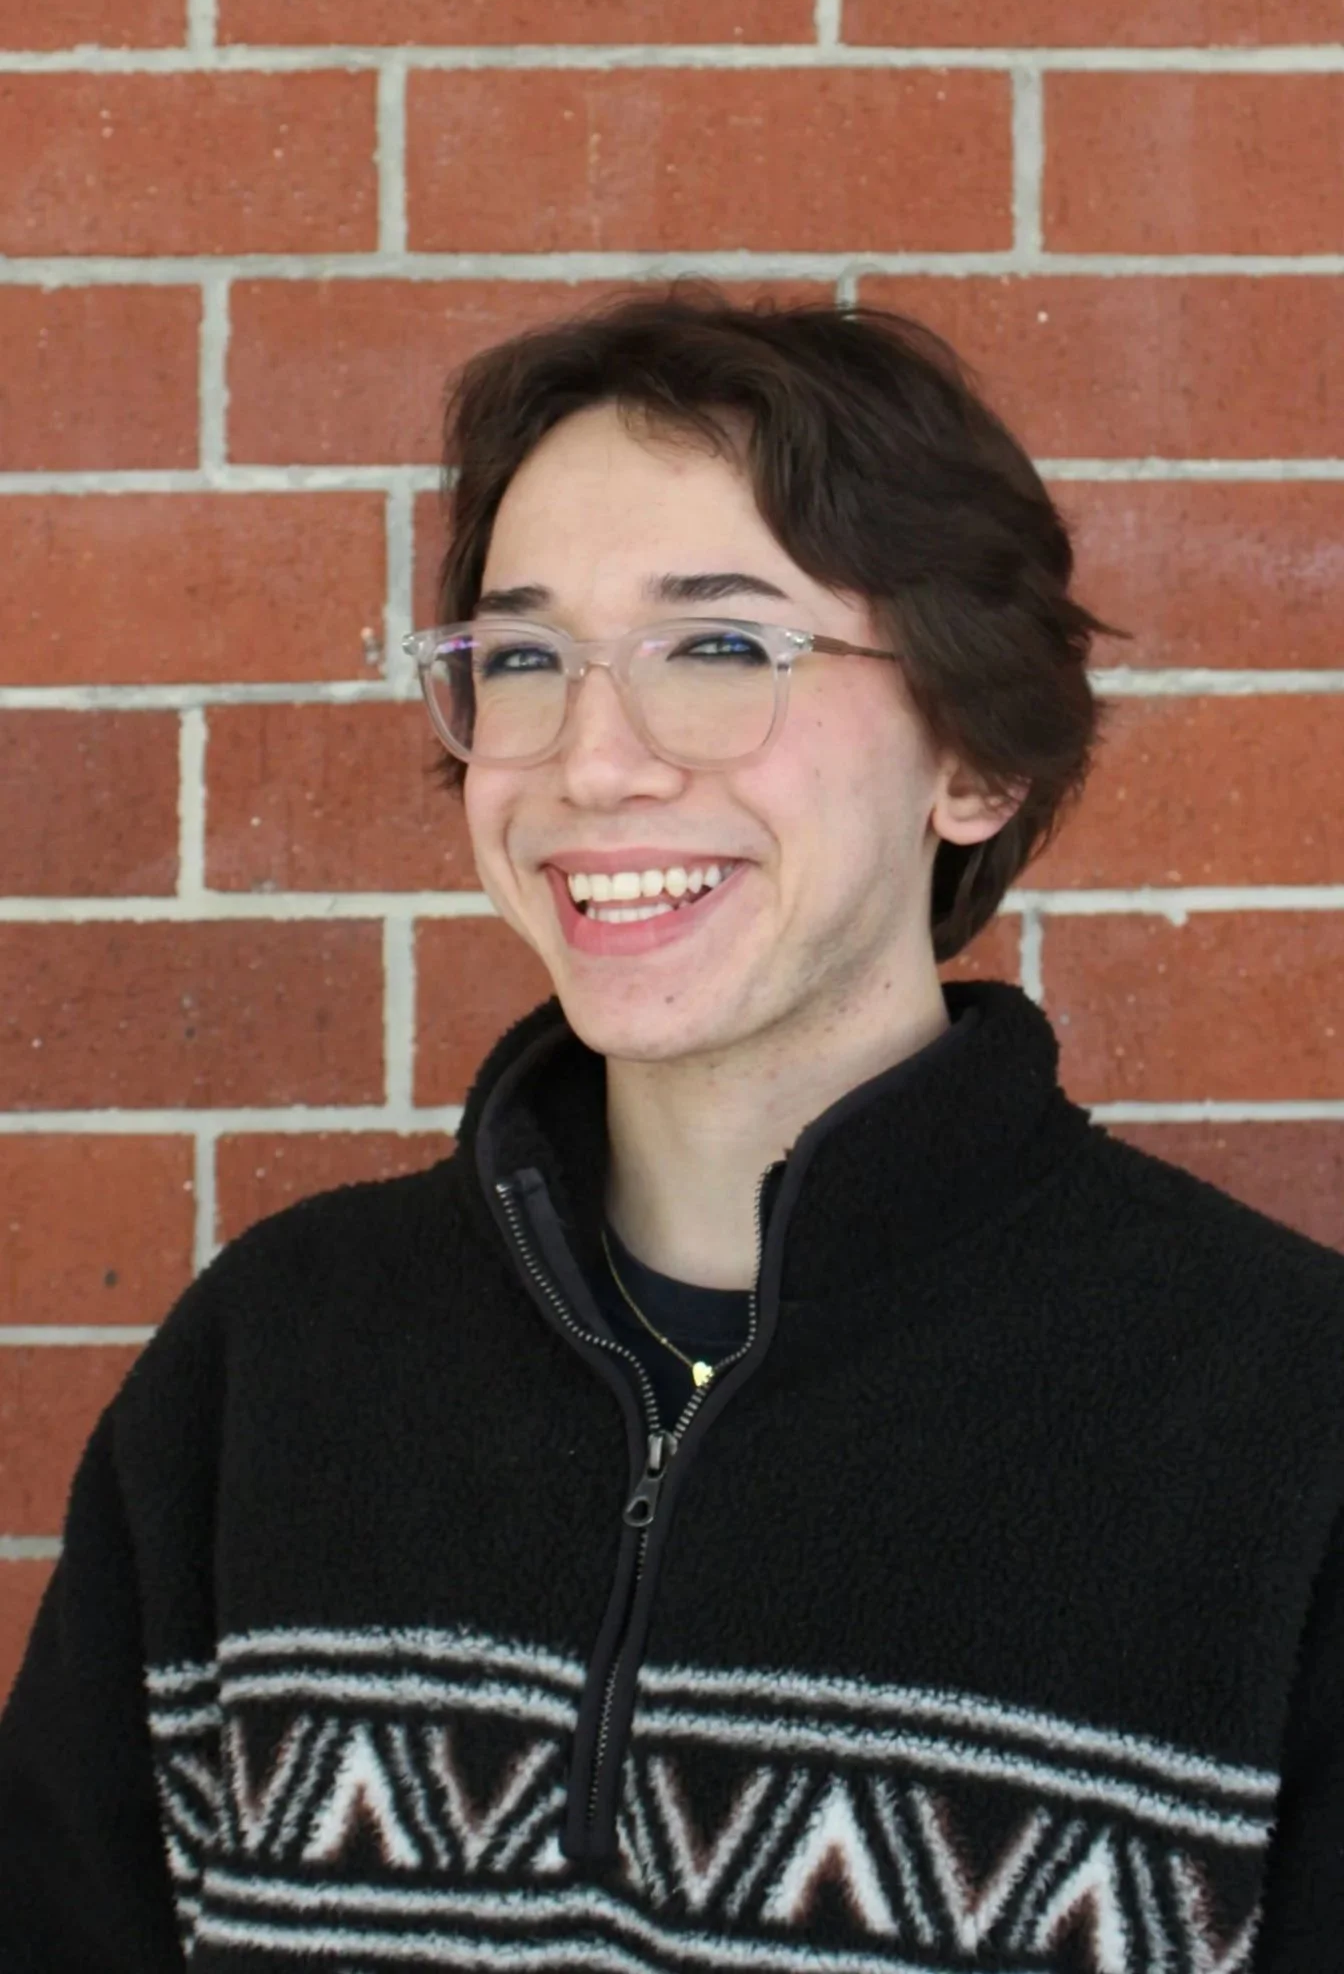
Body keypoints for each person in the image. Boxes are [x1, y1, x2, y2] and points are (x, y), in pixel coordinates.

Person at [0, 288, 1339, 1973]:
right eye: (524, 658)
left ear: (976, 758)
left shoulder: (1284, 1420)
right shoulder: (272, 1363)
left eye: (718, 651)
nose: (593, 762)